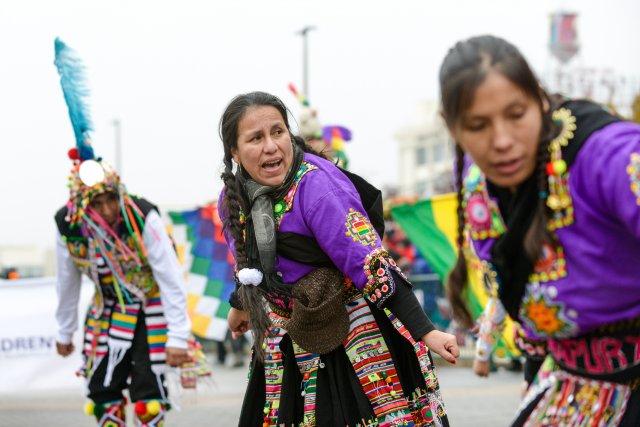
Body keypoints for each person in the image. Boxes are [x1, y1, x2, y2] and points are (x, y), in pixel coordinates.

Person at [219, 91, 458, 426]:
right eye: (255, 138)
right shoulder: (233, 198)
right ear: (235, 150)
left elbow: (370, 263)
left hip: (352, 328)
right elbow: (249, 259)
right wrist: (240, 304)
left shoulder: (318, 188)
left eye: (278, 132)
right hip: (287, 332)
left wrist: (426, 331)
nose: (271, 146)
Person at [441, 35, 640, 425]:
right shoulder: (479, 185)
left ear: (540, 101)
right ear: (453, 128)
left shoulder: (606, 155)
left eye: (517, 114)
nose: (502, 141)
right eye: (478, 125)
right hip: (572, 385)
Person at [52, 38, 191, 427]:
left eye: (111, 199)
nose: (108, 210)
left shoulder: (141, 216)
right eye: (97, 204)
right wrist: (65, 331)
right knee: (103, 391)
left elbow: (169, 276)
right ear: (83, 205)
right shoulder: (69, 226)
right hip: (106, 311)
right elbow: (67, 283)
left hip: (150, 311)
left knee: (149, 394)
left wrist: (178, 337)